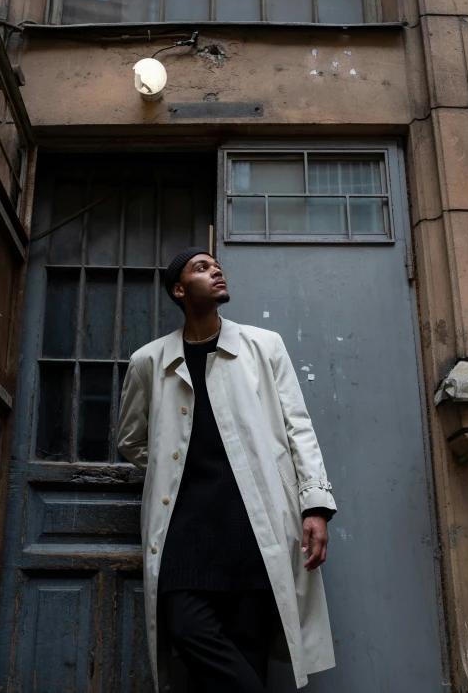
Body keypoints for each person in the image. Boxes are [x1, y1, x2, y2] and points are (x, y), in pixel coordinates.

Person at [118, 247, 337, 692]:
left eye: (216, 264)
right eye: (201, 267)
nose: (215, 270)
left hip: (254, 525)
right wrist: (170, 468)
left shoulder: (264, 346)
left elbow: (299, 428)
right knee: (184, 626)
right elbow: (130, 439)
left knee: (248, 649)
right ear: (179, 289)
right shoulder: (149, 361)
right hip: (184, 526)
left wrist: (315, 506)